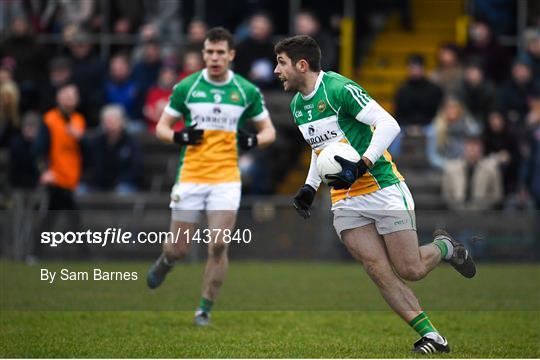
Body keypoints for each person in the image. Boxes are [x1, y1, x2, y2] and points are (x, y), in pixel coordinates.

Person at [274, 35, 476, 354]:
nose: (276, 70)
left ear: (301, 65)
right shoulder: (298, 105)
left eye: (281, 63)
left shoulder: (339, 89)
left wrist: (362, 163)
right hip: (345, 198)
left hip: (381, 186)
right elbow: (320, 151)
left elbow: (388, 124)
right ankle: (432, 337)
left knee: (410, 269)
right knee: (377, 270)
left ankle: (445, 246)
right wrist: (309, 188)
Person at [146, 27, 276, 326]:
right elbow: (162, 127)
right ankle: (166, 261)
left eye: (220, 52)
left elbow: (268, 131)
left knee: (218, 245)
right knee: (178, 248)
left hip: (226, 178)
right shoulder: (186, 87)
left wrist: (252, 141)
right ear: (203, 54)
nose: (215, 57)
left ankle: (203, 309)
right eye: (210, 52)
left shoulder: (246, 90)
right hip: (191, 175)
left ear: (231, 55)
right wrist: (180, 137)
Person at [32, 83, 86, 259]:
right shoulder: (50, 120)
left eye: (73, 96)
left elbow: (88, 152)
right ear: (59, 98)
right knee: (72, 217)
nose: (70, 100)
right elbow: (38, 150)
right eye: (66, 96)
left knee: (52, 218)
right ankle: (83, 255)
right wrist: (44, 171)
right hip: (56, 178)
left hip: (72, 178)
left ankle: (35, 253)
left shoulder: (79, 120)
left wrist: (81, 139)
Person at [86, 104, 143, 194]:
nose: (109, 124)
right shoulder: (97, 142)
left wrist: (122, 180)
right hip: (100, 184)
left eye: (113, 120)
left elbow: (136, 167)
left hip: (124, 183)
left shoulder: (131, 143)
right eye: (107, 121)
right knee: (81, 190)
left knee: (122, 191)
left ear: (122, 121)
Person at [442, 136, 503, 211]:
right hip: (457, 213)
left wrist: (481, 207)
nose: (472, 149)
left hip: (483, 214)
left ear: (481, 148)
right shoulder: (450, 168)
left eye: (475, 146)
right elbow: (446, 195)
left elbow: (497, 195)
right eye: (470, 146)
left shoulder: (492, 169)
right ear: (464, 148)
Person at [426, 97, 481, 169]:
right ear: (443, 110)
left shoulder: (470, 127)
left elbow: (477, 148)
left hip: (467, 164)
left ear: (460, 109)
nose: (452, 111)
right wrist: (447, 165)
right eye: (449, 108)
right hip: (446, 165)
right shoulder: (435, 129)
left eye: (454, 108)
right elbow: (433, 156)